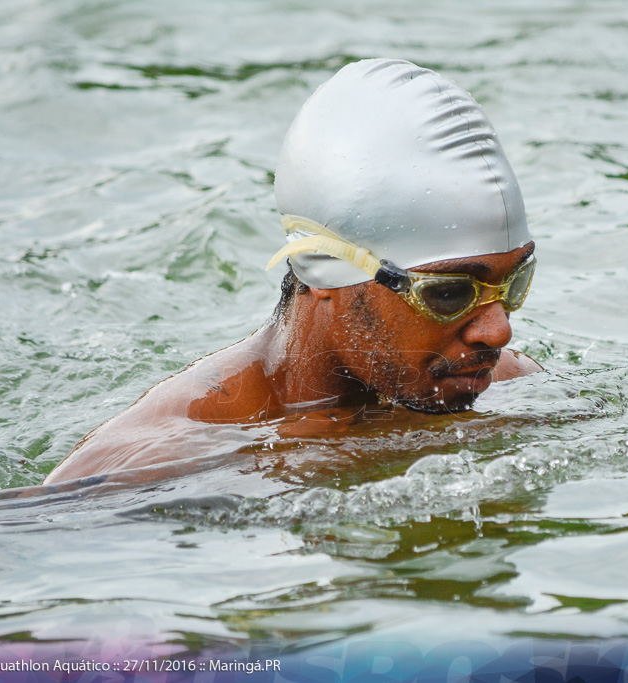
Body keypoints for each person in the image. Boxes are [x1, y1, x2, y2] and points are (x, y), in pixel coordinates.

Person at [43, 58, 540, 485]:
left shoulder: (515, 388)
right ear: (324, 269)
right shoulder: (168, 459)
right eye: (449, 293)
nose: (499, 331)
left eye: (515, 281)